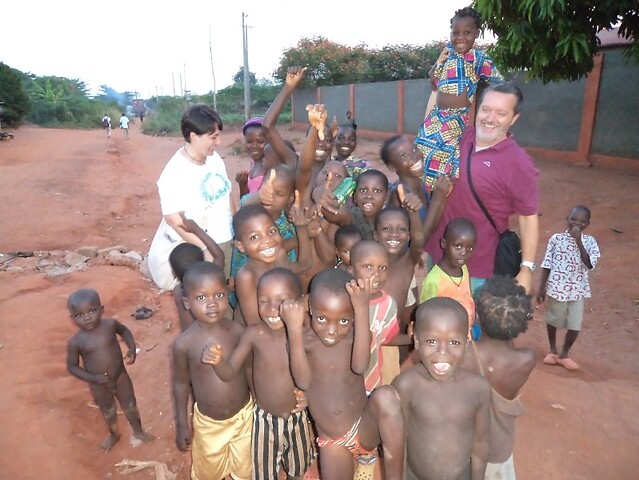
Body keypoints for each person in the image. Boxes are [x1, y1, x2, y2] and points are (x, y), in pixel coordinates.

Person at [281, 268, 405, 479]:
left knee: (386, 396)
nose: (332, 330)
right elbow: (303, 381)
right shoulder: (304, 341)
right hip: (332, 441)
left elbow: (360, 366)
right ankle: (362, 462)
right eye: (322, 319)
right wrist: (293, 330)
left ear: (353, 315)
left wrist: (362, 309)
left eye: (344, 321)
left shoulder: (356, 336)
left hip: (363, 427)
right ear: (310, 308)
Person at [424, 82, 540, 295]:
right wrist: (437, 84)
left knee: (470, 316)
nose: (490, 118)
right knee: (433, 312)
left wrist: (526, 269)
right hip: (439, 255)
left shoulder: (519, 163)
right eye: (486, 109)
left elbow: (528, 218)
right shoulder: (460, 136)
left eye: (501, 113)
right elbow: (433, 121)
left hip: (478, 270)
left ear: (514, 118)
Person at [202, 268, 316, 480]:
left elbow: (309, 379)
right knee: (264, 473)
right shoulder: (254, 334)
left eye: (282, 301)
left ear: (298, 303)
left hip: (297, 418)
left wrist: (309, 398)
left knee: (298, 469)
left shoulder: (305, 337)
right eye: (263, 301)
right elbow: (229, 372)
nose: (272, 309)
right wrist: (218, 362)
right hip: (265, 422)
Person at [392, 297, 491, 480]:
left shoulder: (478, 388)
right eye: (431, 341)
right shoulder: (407, 385)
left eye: (454, 342)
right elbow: (398, 442)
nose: (443, 351)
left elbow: (481, 443)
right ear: (416, 339)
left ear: (467, 342)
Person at [171, 262, 252, 480]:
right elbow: (181, 383)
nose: (212, 303)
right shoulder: (184, 344)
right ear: (186, 303)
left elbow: (248, 369)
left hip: (245, 417)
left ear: (227, 293)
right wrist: (182, 423)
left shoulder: (238, 331)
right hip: (209, 425)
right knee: (209, 473)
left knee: (246, 469)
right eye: (201, 297)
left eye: (218, 295)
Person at [415, 6, 503, 191]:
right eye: (455, 33)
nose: (460, 37)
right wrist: (438, 62)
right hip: (436, 115)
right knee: (421, 147)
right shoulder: (448, 53)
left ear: (476, 34)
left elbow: (498, 81)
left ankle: (438, 196)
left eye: (466, 32)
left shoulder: (478, 58)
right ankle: (421, 192)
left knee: (443, 157)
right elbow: (433, 82)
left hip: (455, 118)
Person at [146, 104, 234, 291]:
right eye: (213, 137)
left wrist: (235, 229)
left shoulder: (214, 159)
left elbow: (227, 194)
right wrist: (205, 250)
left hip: (228, 239)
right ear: (194, 136)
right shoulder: (174, 173)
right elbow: (174, 220)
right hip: (207, 246)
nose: (218, 142)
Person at [464, 275, 536, 480]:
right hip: (499, 449)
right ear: (523, 321)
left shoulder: (466, 353)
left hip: (466, 446)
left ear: (478, 317)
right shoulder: (527, 359)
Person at [66, 288, 154, 451]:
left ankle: (139, 431)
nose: (86, 317)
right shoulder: (76, 341)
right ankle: (114, 434)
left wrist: (132, 348)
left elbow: (124, 331)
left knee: (130, 405)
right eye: (79, 315)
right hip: (98, 384)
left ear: (101, 309)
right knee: (108, 410)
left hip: (121, 377)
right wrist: (93, 378)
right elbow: (72, 367)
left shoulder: (110, 325)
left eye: (92, 311)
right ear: (72, 318)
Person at [537, 205, 600, 370]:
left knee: (575, 324)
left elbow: (589, 264)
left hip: (577, 290)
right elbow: (547, 264)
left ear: (588, 224)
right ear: (567, 220)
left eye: (582, 221)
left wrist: (579, 242)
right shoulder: (556, 239)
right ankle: (553, 350)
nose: (576, 223)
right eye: (573, 219)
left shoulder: (590, 242)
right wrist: (542, 287)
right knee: (553, 319)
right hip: (557, 288)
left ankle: (564, 354)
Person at [232, 203, 312, 326]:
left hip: (278, 322)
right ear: (240, 246)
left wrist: (301, 229)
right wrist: (300, 305)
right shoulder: (247, 276)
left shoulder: (279, 255)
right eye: (254, 237)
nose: (267, 240)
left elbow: (305, 265)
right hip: (255, 331)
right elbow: (254, 324)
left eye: (271, 231)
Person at [421, 217, 479, 339]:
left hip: (467, 333)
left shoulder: (464, 268)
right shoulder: (434, 280)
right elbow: (426, 314)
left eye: (469, 248)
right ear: (443, 244)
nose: (463, 253)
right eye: (458, 246)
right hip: (447, 337)